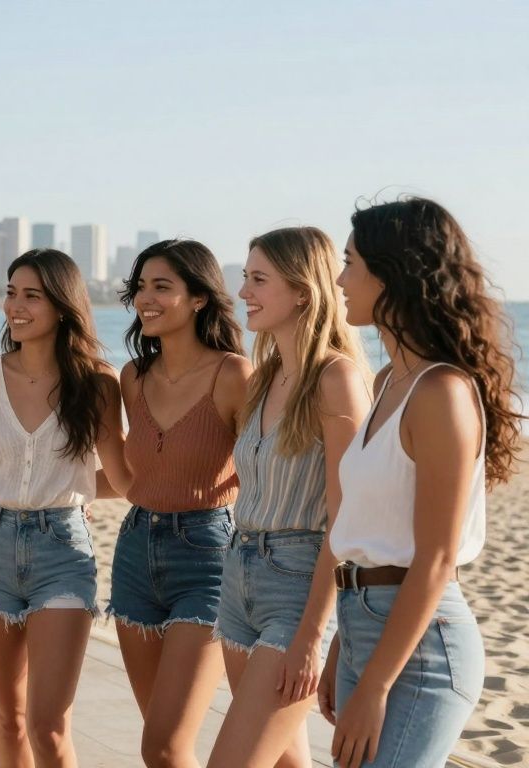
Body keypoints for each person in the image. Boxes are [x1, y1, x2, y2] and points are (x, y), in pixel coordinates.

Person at [320, 198, 518, 768]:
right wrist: (342, 642)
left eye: (350, 263)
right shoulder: (386, 381)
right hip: (364, 622)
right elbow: (368, 530)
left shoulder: (440, 393)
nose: (339, 280)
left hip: (423, 647)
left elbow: (434, 558)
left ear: (394, 274)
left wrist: (376, 687)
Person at [0, 248, 131, 766]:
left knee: (48, 726)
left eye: (32, 296)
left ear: (63, 306)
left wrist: (75, 488)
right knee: (9, 719)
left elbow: (126, 479)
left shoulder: (97, 383)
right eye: (11, 293)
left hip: (63, 550)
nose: (15, 306)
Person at [207, 228, 370, 768]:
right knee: (283, 762)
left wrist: (312, 634)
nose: (243, 291)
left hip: (297, 587)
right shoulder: (266, 375)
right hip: (239, 576)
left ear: (302, 291)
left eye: (258, 279)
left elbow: (345, 518)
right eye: (245, 277)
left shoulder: (336, 378)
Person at [110, 239, 250, 767]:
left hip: (208, 557)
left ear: (198, 298)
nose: (145, 297)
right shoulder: (133, 378)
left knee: (163, 745)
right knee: (165, 749)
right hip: (134, 550)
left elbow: (262, 472)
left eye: (161, 286)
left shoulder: (234, 374)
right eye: (141, 286)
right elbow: (131, 474)